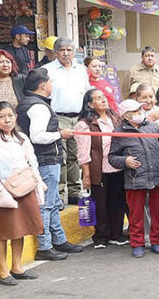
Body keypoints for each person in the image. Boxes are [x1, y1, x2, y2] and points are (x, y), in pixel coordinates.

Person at [15, 68, 82, 260]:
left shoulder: (29, 102)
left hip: (43, 159)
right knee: (46, 204)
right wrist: (60, 134)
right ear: (43, 85)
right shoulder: (39, 107)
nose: (52, 85)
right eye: (50, 82)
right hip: (46, 159)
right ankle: (45, 246)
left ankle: (59, 240)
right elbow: (37, 136)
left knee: (52, 203)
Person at [108, 99, 159, 257]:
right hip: (135, 179)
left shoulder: (153, 127)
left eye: (140, 110)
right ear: (125, 115)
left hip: (158, 176)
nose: (139, 113)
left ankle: (157, 241)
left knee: (158, 212)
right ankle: (137, 243)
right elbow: (112, 157)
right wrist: (125, 161)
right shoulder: (119, 132)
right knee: (135, 214)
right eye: (135, 111)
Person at [0, 102, 45, 285]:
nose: (7, 120)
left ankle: (17, 267)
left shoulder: (22, 138)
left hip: (25, 189)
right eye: (2, 116)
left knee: (20, 230)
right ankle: (3, 272)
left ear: (16, 117)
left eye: (10, 115)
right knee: (4, 233)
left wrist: (37, 183)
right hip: (4, 193)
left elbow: (32, 164)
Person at [73, 89, 127, 249]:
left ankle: (117, 234)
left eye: (103, 97)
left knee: (118, 202)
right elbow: (83, 153)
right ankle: (101, 236)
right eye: (98, 98)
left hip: (117, 167)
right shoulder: (84, 124)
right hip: (98, 169)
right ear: (90, 104)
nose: (103, 100)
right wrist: (86, 175)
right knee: (100, 204)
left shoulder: (115, 119)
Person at [43, 37, 90, 205]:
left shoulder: (81, 70)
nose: (65, 53)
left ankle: (75, 191)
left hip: (78, 117)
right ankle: (60, 193)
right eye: (62, 50)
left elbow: (87, 92)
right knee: (60, 156)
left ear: (74, 52)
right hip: (57, 117)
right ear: (55, 52)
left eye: (69, 50)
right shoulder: (47, 70)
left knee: (75, 155)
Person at [0, 50, 25, 127]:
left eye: (8, 62)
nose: (5, 65)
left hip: (16, 130)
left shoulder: (21, 80)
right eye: (1, 62)